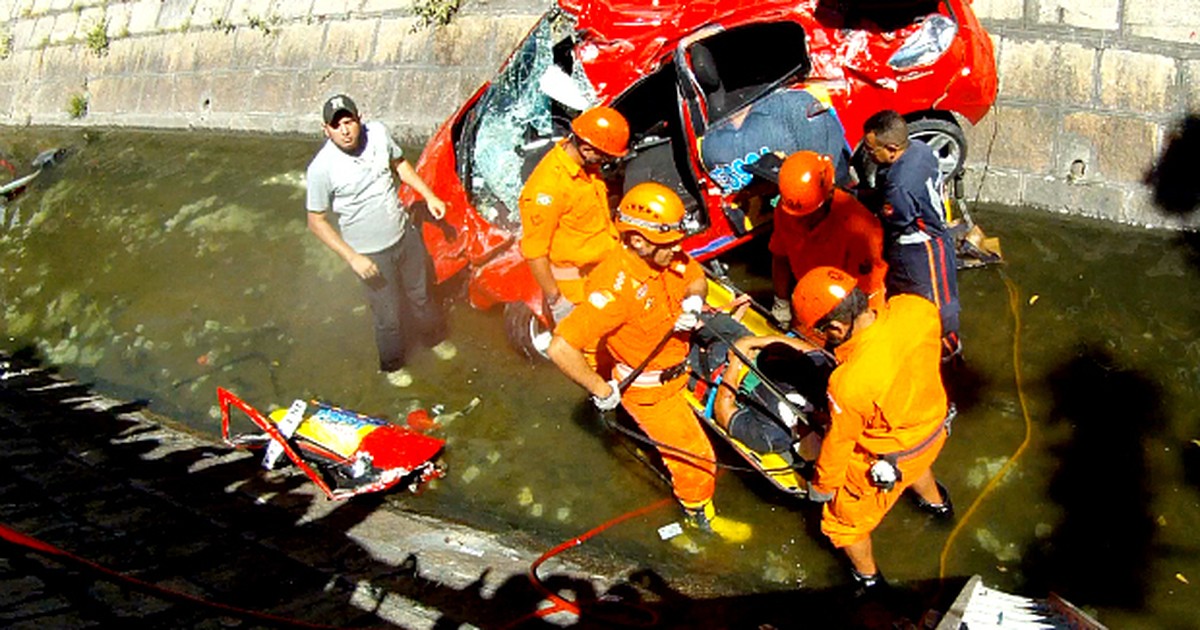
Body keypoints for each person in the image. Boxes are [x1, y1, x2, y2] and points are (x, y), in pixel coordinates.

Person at [547, 182, 749, 542]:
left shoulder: (668, 256)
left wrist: (693, 301)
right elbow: (561, 346)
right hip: (650, 391)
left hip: (675, 368)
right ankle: (699, 524)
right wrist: (600, 389)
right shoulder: (615, 287)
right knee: (697, 460)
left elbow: (696, 277)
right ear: (638, 241)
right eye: (670, 243)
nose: (678, 250)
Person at [791, 266, 954, 595]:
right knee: (917, 463)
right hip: (933, 429)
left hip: (887, 458)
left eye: (823, 331)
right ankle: (939, 509)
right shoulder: (916, 308)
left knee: (843, 524)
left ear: (836, 327)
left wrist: (821, 488)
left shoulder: (849, 383)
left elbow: (840, 442)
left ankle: (869, 581)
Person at [305, 94, 456, 388]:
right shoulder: (321, 168)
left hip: (404, 235)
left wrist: (429, 195)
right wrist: (353, 258)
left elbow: (400, 165)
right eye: (337, 126)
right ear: (326, 130)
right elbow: (315, 222)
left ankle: (434, 339)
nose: (345, 130)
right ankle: (392, 366)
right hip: (369, 254)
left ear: (359, 119)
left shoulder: (378, 134)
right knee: (388, 316)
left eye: (349, 121)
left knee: (422, 295)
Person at [860, 110, 961, 358]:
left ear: (892, 149)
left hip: (923, 248)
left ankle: (949, 358)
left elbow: (895, 216)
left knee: (938, 311)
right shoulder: (919, 149)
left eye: (872, 150)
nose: (869, 154)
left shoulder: (900, 185)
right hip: (908, 243)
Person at [518, 106, 628, 330]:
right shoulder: (548, 188)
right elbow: (534, 252)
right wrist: (557, 302)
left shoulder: (586, 168)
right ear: (587, 148)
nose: (607, 162)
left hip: (604, 275)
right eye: (605, 156)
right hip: (577, 289)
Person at [767, 151, 887, 329]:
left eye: (809, 215)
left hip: (851, 313)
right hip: (811, 301)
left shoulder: (861, 229)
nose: (801, 222)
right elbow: (780, 256)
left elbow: (864, 296)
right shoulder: (787, 212)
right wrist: (781, 302)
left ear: (829, 195)